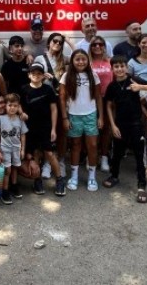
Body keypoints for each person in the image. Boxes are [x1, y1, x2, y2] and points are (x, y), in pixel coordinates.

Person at [0, 92, 40, 198]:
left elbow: (26, 136)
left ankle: (11, 183)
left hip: (13, 151)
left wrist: (29, 156)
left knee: (34, 171)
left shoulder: (18, 118)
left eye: (1, 102)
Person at [103, 55, 147, 203]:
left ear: (126, 67)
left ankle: (142, 187)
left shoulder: (134, 80)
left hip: (136, 124)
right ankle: (114, 176)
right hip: (119, 125)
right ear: (112, 69)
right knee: (116, 154)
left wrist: (140, 87)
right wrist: (112, 125)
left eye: (122, 66)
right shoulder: (112, 86)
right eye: (116, 66)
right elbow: (109, 105)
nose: (120, 69)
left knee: (139, 155)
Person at [59, 49, 103, 191]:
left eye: (83, 59)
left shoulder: (93, 75)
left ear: (87, 60)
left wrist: (101, 116)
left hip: (90, 115)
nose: (80, 62)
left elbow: (98, 97)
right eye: (77, 59)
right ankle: (74, 176)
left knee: (92, 146)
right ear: (72, 61)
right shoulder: (66, 76)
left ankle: (92, 177)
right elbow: (62, 98)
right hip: (73, 115)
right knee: (75, 145)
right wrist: (65, 118)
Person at [20, 62, 65, 196]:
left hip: (45, 126)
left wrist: (53, 129)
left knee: (50, 154)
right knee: (35, 154)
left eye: (39, 73)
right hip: (29, 128)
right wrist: (21, 112)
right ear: (29, 75)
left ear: (43, 76)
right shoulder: (24, 89)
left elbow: (53, 109)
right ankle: (37, 180)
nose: (36, 75)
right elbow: (18, 105)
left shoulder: (47, 89)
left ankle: (59, 179)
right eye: (33, 73)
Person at [34, 32, 70, 177]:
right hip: (44, 99)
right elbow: (33, 76)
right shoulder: (39, 58)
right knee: (47, 132)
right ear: (48, 42)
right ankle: (48, 162)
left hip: (61, 99)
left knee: (61, 132)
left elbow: (82, 56)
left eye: (61, 42)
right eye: (55, 41)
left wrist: (69, 41)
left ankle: (60, 159)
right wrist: (42, 77)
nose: (57, 44)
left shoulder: (65, 59)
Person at [0, 93, 28, 205]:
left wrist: (22, 150)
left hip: (16, 148)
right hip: (5, 148)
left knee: (15, 167)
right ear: (5, 106)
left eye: (15, 106)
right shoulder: (1, 119)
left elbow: (23, 135)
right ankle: (5, 191)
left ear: (18, 107)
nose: (12, 108)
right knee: (7, 170)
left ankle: (14, 185)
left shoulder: (20, 119)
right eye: (10, 105)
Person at [89, 35, 113, 172]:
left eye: (100, 44)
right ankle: (92, 157)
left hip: (108, 100)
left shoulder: (110, 62)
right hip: (91, 101)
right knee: (92, 130)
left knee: (106, 130)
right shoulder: (87, 63)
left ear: (104, 46)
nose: (97, 46)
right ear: (90, 47)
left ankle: (104, 157)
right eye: (94, 44)